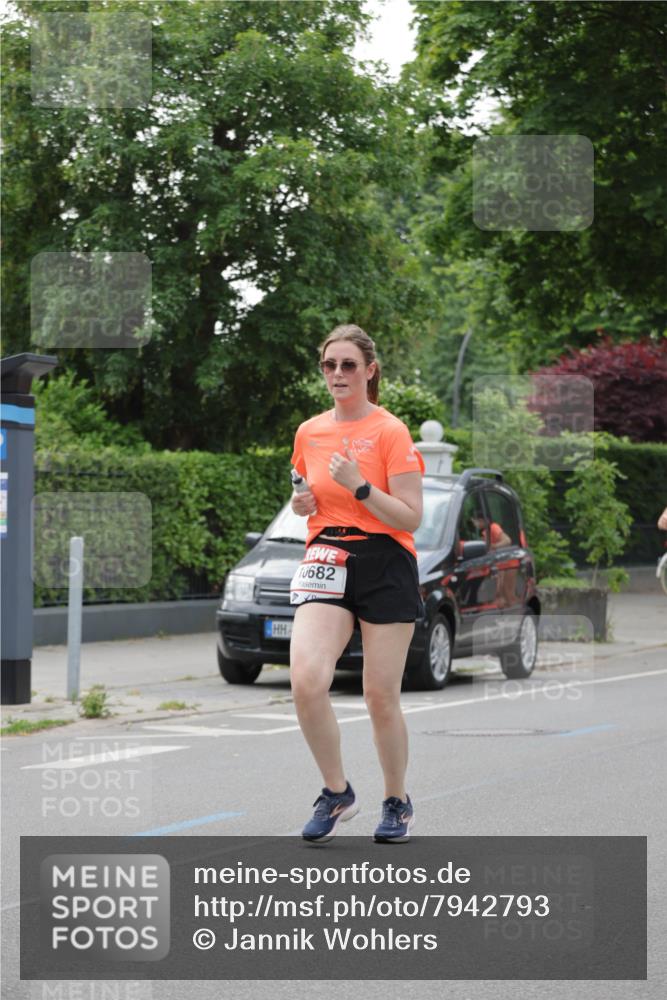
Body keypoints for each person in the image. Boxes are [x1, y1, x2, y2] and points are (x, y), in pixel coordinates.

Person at [289, 324, 425, 844]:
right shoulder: (310, 431)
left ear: (370, 371)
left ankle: (396, 800)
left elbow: (410, 518)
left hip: (386, 559)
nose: (338, 374)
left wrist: (362, 487)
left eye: (349, 365)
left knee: (379, 696)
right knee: (306, 680)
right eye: (330, 365)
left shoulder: (391, 431)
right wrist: (303, 503)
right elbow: (305, 491)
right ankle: (336, 791)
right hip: (327, 553)